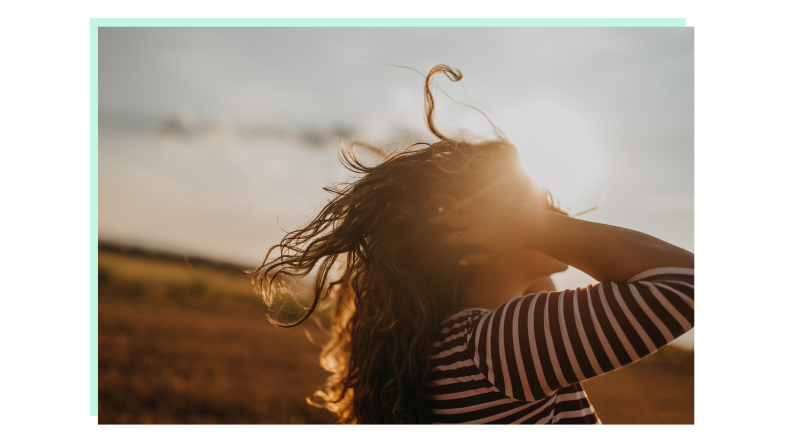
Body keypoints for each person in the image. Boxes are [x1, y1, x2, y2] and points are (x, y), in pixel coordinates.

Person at [250, 65, 694, 424]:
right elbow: (687, 281)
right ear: (472, 228)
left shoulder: (454, 345)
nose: (552, 213)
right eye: (534, 204)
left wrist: (530, 237)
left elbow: (541, 293)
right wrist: (537, 230)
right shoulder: (495, 348)